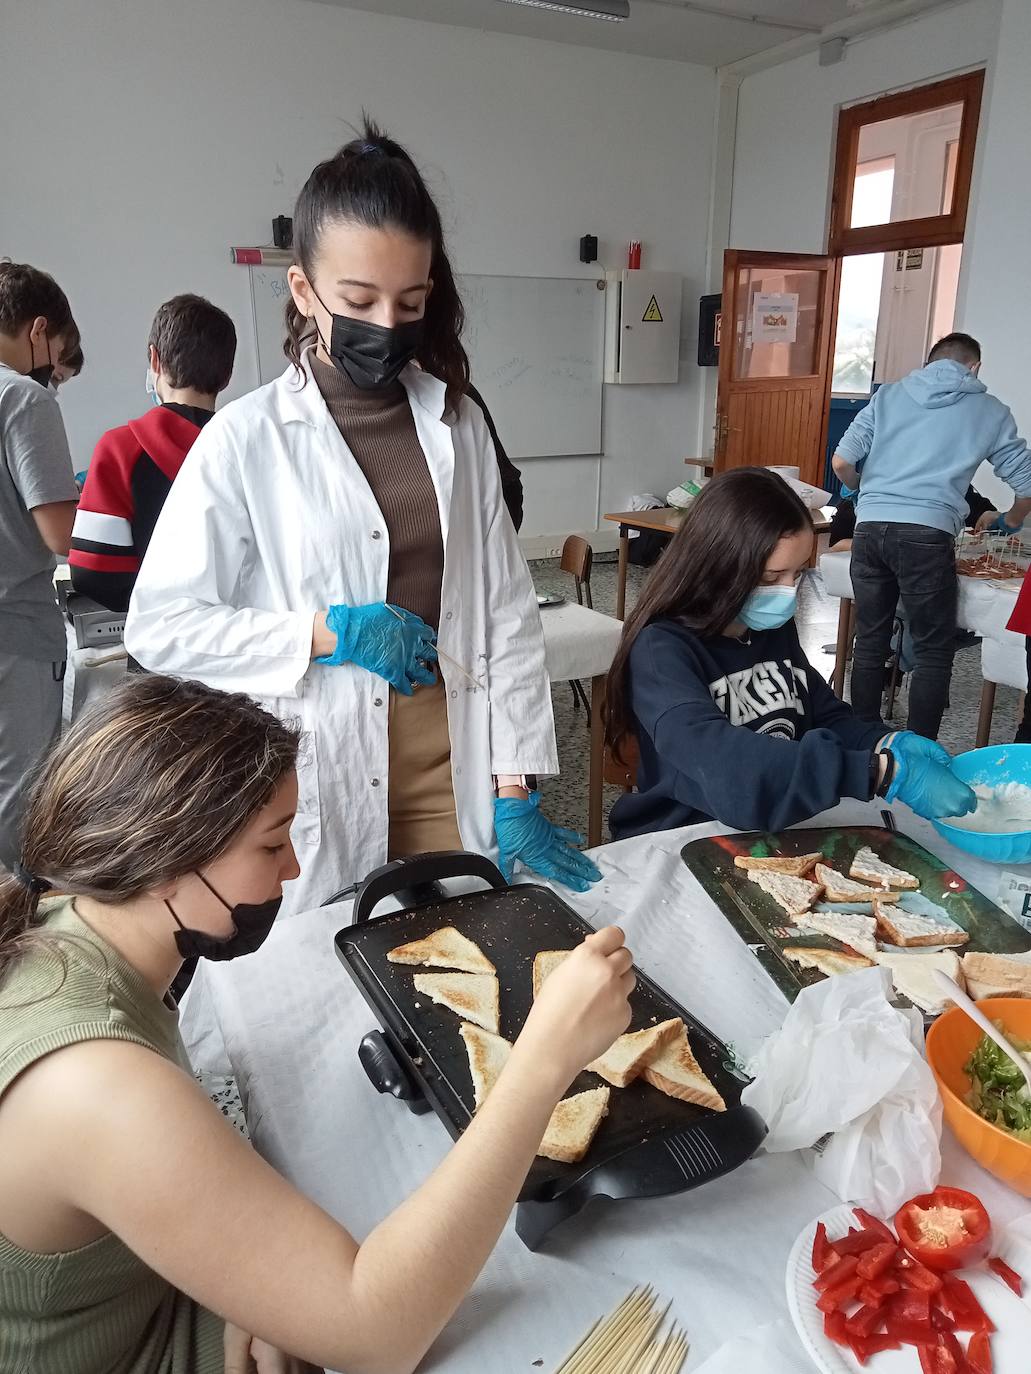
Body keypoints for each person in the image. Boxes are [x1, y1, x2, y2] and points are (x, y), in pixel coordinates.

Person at [0, 674, 634, 1374]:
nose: (295, 866)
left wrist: (251, 1290)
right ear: (163, 867)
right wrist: (544, 1059)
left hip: (145, 1293)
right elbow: (376, 1334)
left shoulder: (67, 920)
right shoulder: (96, 1087)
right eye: (272, 847)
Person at [125, 121, 597, 914]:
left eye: (409, 301)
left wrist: (513, 781)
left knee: (473, 949)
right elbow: (161, 627)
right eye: (358, 299)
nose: (386, 323)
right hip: (322, 757)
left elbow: (507, 613)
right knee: (343, 967)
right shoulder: (245, 440)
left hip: (458, 748)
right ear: (304, 291)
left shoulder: (457, 422)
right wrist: (324, 631)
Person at [604, 468, 975, 840]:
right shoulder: (662, 651)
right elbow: (725, 764)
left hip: (772, 828)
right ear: (714, 565)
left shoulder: (770, 629)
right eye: (770, 577)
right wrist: (877, 772)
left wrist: (881, 742)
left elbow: (822, 713)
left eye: (797, 574)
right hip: (685, 835)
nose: (787, 592)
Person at [832, 332, 1031, 740]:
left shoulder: (887, 396)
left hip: (869, 529)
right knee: (933, 650)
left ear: (929, 363)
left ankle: (863, 738)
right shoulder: (988, 409)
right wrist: (1012, 520)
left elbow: (841, 462)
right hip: (927, 533)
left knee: (871, 639)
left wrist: (859, 490)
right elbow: (1026, 484)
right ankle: (921, 748)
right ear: (974, 367)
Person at [68, 294, 237, 612]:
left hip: (155, 645)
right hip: (237, 636)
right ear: (226, 376)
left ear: (155, 360)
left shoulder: (120, 448)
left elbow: (92, 573)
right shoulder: (246, 448)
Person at [0, 261, 80, 871]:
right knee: (19, 800)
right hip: (16, 633)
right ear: (39, 330)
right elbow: (60, 534)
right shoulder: (22, 398)